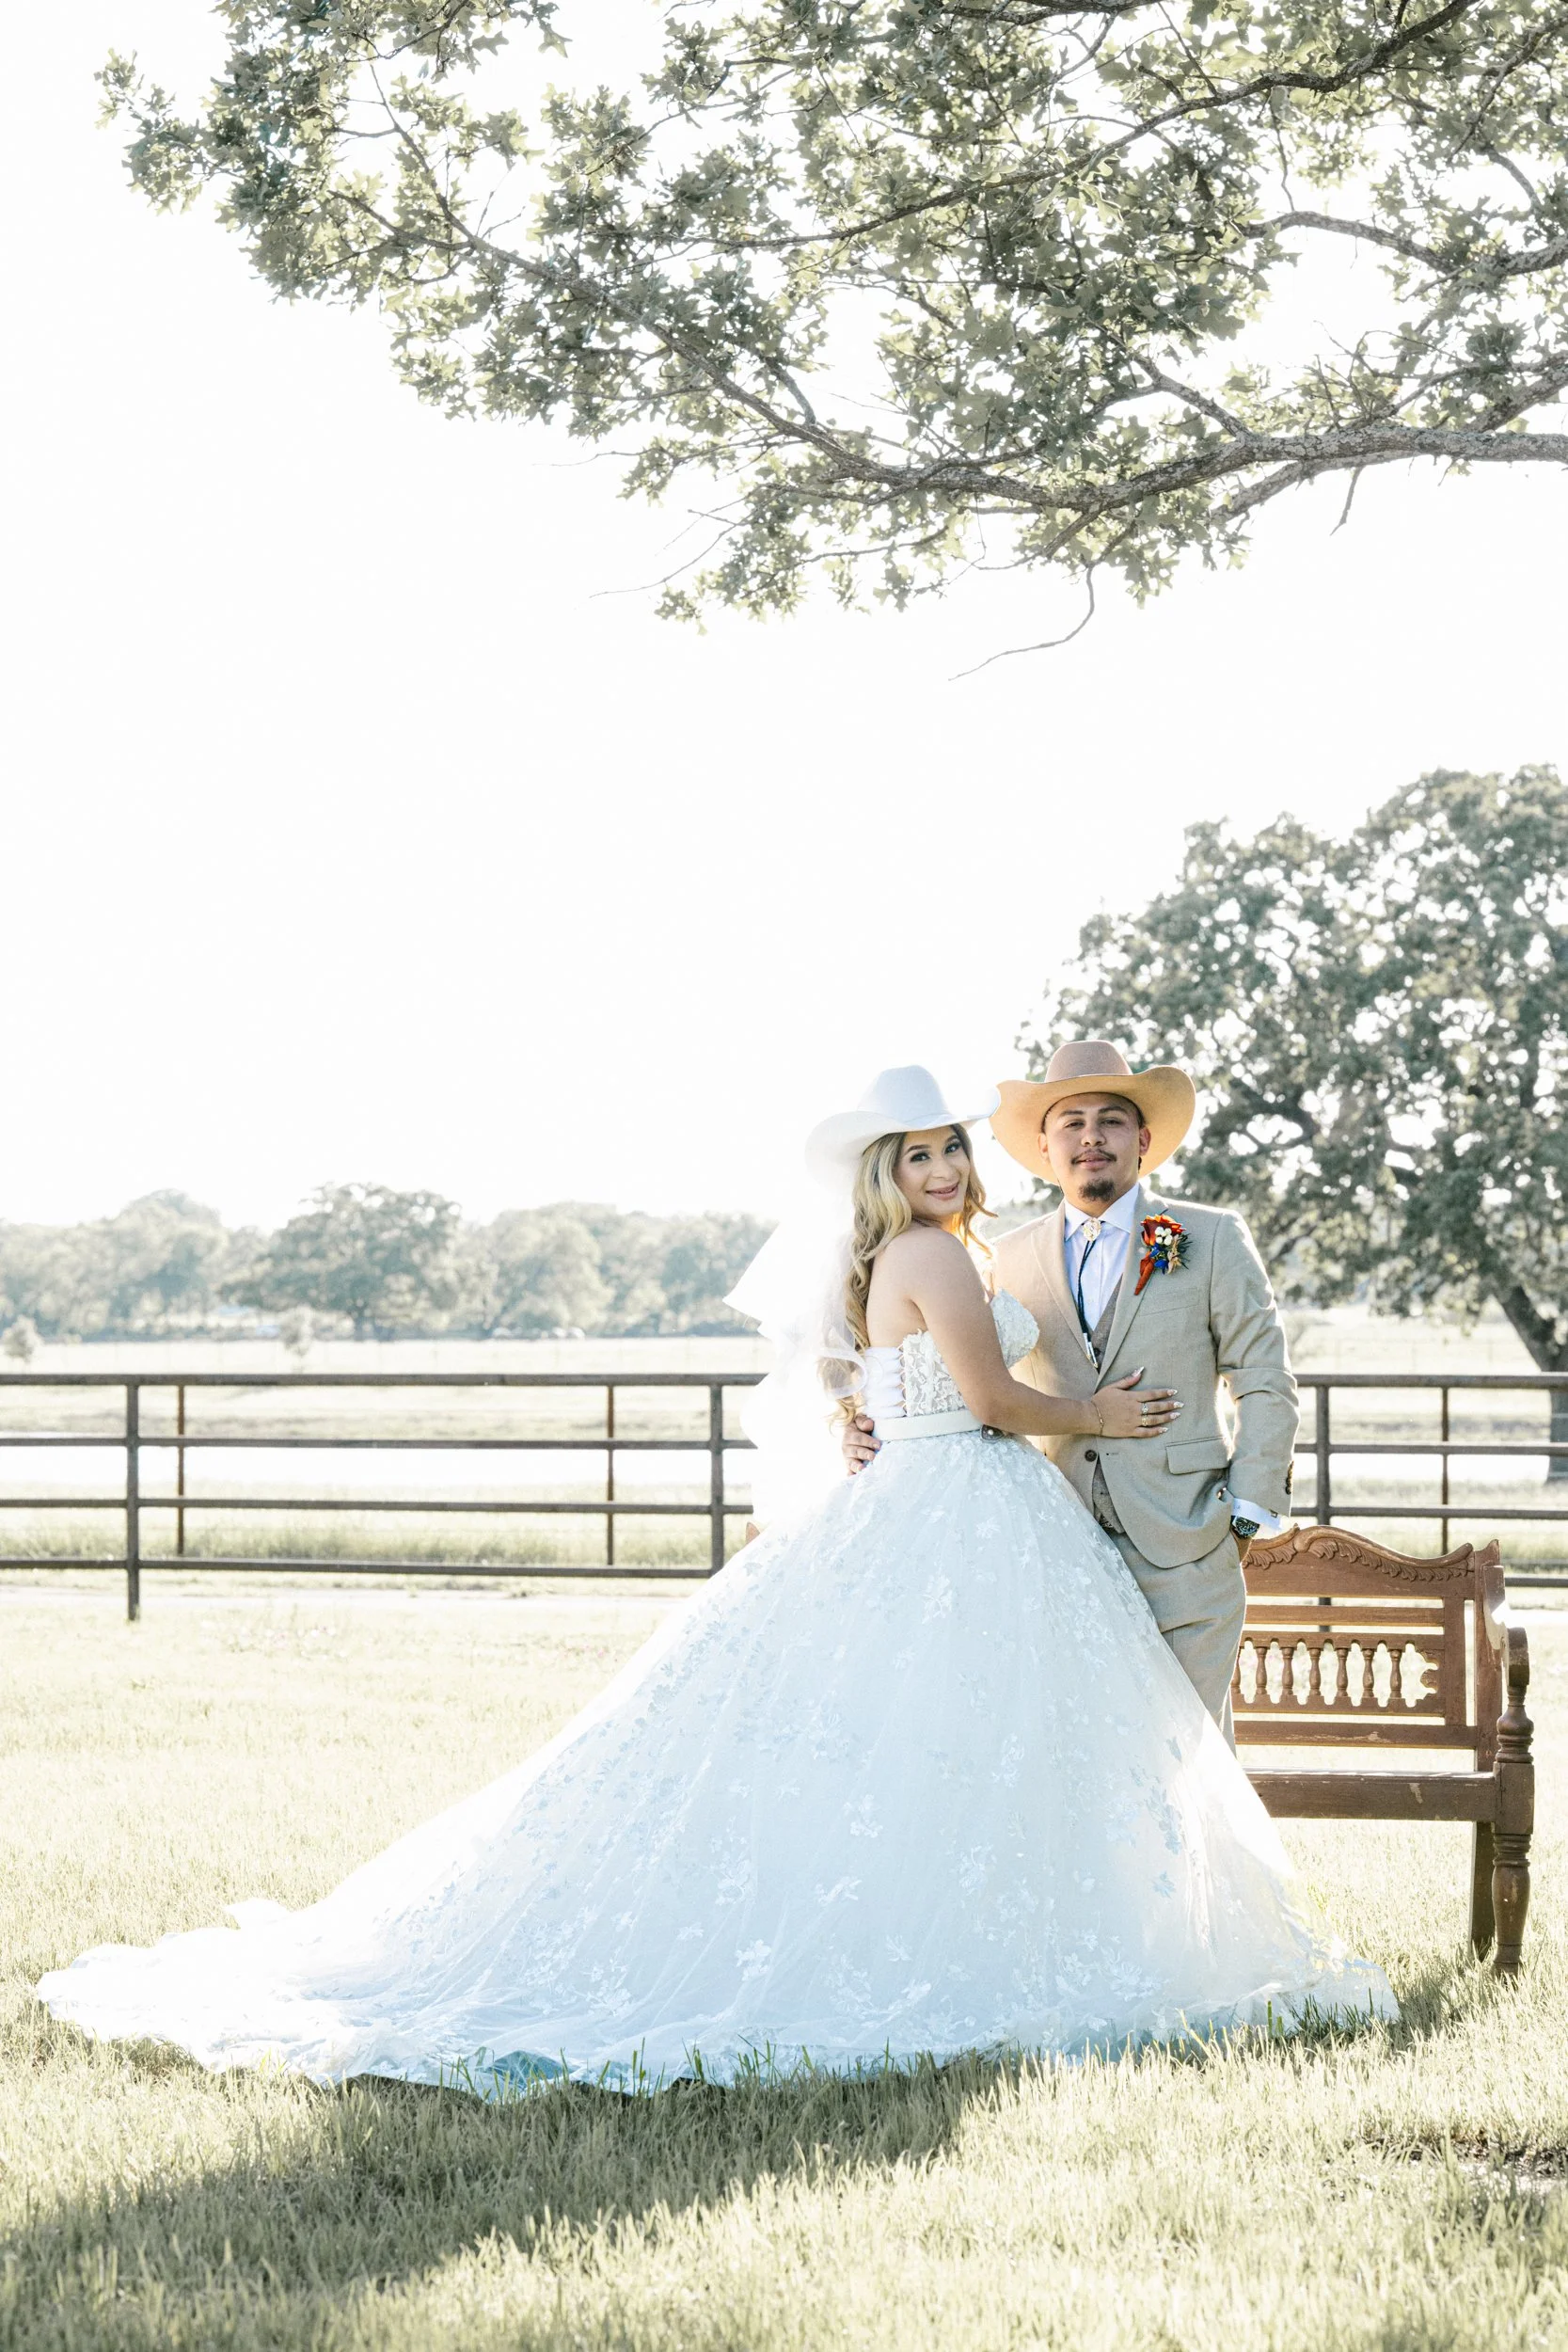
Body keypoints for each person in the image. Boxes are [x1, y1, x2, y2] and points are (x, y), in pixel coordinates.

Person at [37, 1066, 1391, 2090]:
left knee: (996, 1745)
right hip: (978, 1503)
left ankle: (1098, 1932)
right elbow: (985, 1393)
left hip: (1041, 1516)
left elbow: (891, 1372)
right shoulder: (946, 1251)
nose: (939, 1167)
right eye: (916, 1154)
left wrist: (872, 1410)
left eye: (947, 1148)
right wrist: (1074, 1416)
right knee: (957, 1743)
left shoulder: (990, 1250)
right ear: (892, 1172)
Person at [844, 1041, 1293, 1743]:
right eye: (1071, 1123)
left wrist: (1243, 1513)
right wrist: (872, 1425)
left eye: (1111, 1120)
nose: (1091, 1137)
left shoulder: (1208, 1238)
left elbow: (1264, 1378)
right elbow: (966, 1380)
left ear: (1142, 1140)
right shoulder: (1004, 1257)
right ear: (1044, 1147)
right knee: (1088, 1758)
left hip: (1187, 1546)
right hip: (1056, 1550)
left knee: (1189, 1755)